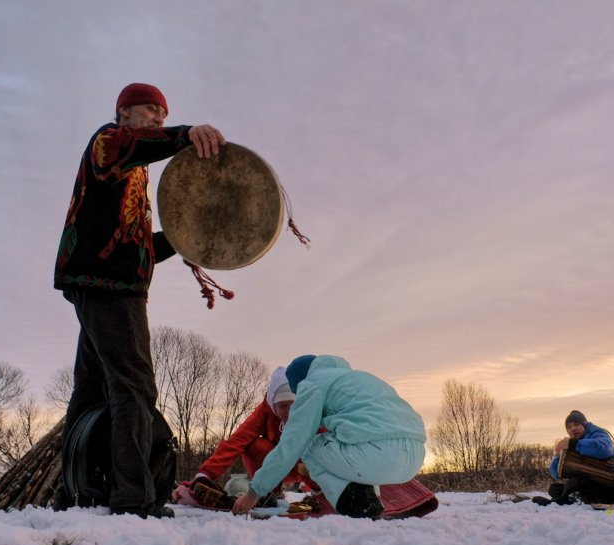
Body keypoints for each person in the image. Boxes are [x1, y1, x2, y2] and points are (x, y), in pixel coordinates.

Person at [53, 82, 226, 519]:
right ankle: (134, 499)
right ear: (123, 113)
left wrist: (182, 241)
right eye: (150, 111)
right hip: (111, 287)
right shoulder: (109, 142)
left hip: (103, 281)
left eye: (164, 116)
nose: (158, 120)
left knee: (91, 389)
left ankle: (70, 492)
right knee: (134, 387)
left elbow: (135, 244)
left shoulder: (133, 171)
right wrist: (186, 134)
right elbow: (140, 143)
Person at [231, 355, 427, 519]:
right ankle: (371, 502)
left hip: (378, 453)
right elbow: (375, 431)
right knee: (353, 440)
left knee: (309, 446)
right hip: (414, 457)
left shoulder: (312, 384)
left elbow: (291, 445)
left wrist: (254, 492)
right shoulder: (359, 379)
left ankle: (356, 505)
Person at [177, 367, 314, 508]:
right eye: (282, 406)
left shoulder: (312, 409)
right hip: (275, 466)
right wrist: (204, 474)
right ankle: (269, 493)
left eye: (294, 404)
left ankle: (323, 496)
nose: (289, 412)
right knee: (254, 445)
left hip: (304, 464)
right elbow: (236, 441)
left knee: (320, 449)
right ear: (273, 404)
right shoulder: (264, 412)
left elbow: (331, 446)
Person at [537, 410, 614, 506]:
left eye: (576, 424)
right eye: (569, 427)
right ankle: (567, 498)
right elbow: (556, 473)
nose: (573, 429)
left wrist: (574, 444)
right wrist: (557, 455)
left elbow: (604, 450)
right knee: (554, 489)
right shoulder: (574, 443)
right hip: (597, 486)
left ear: (584, 424)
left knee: (575, 483)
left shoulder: (598, 433)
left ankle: (560, 502)